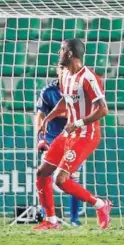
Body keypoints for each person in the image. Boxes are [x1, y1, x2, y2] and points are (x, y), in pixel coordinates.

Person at [34, 38, 112, 230]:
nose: (58, 53)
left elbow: (103, 110)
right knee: (42, 172)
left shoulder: (89, 78)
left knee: (61, 180)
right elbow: (65, 102)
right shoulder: (67, 76)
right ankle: (51, 220)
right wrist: (47, 118)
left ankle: (101, 205)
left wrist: (78, 123)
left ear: (69, 54)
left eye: (61, 50)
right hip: (69, 133)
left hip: (86, 135)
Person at [35, 65, 82, 226]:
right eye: (61, 68)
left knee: (72, 179)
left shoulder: (78, 90)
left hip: (74, 140)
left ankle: (75, 219)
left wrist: (60, 113)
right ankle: (47, 216)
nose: (64, 71)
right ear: (57, 70)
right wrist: (40, 138)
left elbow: (80, 113)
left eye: (67, 68)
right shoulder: (48, 91)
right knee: (43, 175)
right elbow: (40, 115)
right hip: (52, 139)